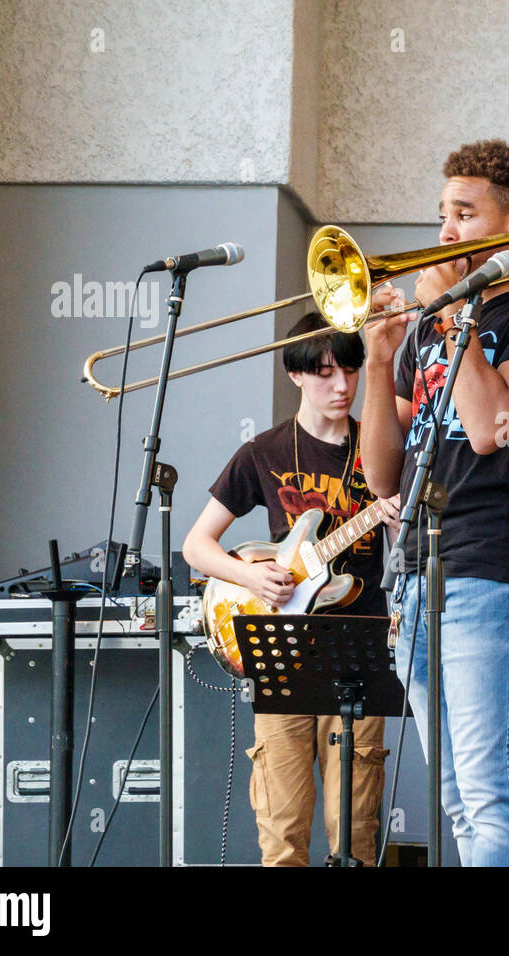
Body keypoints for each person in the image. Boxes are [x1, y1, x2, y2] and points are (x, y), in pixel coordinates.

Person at [359, 139, 509, 867]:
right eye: (441, 214)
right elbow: (379, 475)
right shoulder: (426, 327)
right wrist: (374, 357)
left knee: (490, 791)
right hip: (420, 565)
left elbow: (492, 431)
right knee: (454, 797)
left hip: (493, 559)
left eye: (465, 213)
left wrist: (454, 320)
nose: (446, 232)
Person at [182, 312, 399, 867]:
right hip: (282, 653)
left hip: (360, 649)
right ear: (296, 374)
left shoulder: (380, 442)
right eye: (325, 373)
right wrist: (251, 576)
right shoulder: (265, 451)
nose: (342, 386)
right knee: (281, 831)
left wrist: (398, 519)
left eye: (350, 371)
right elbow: (197, 546)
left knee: (355, 831)